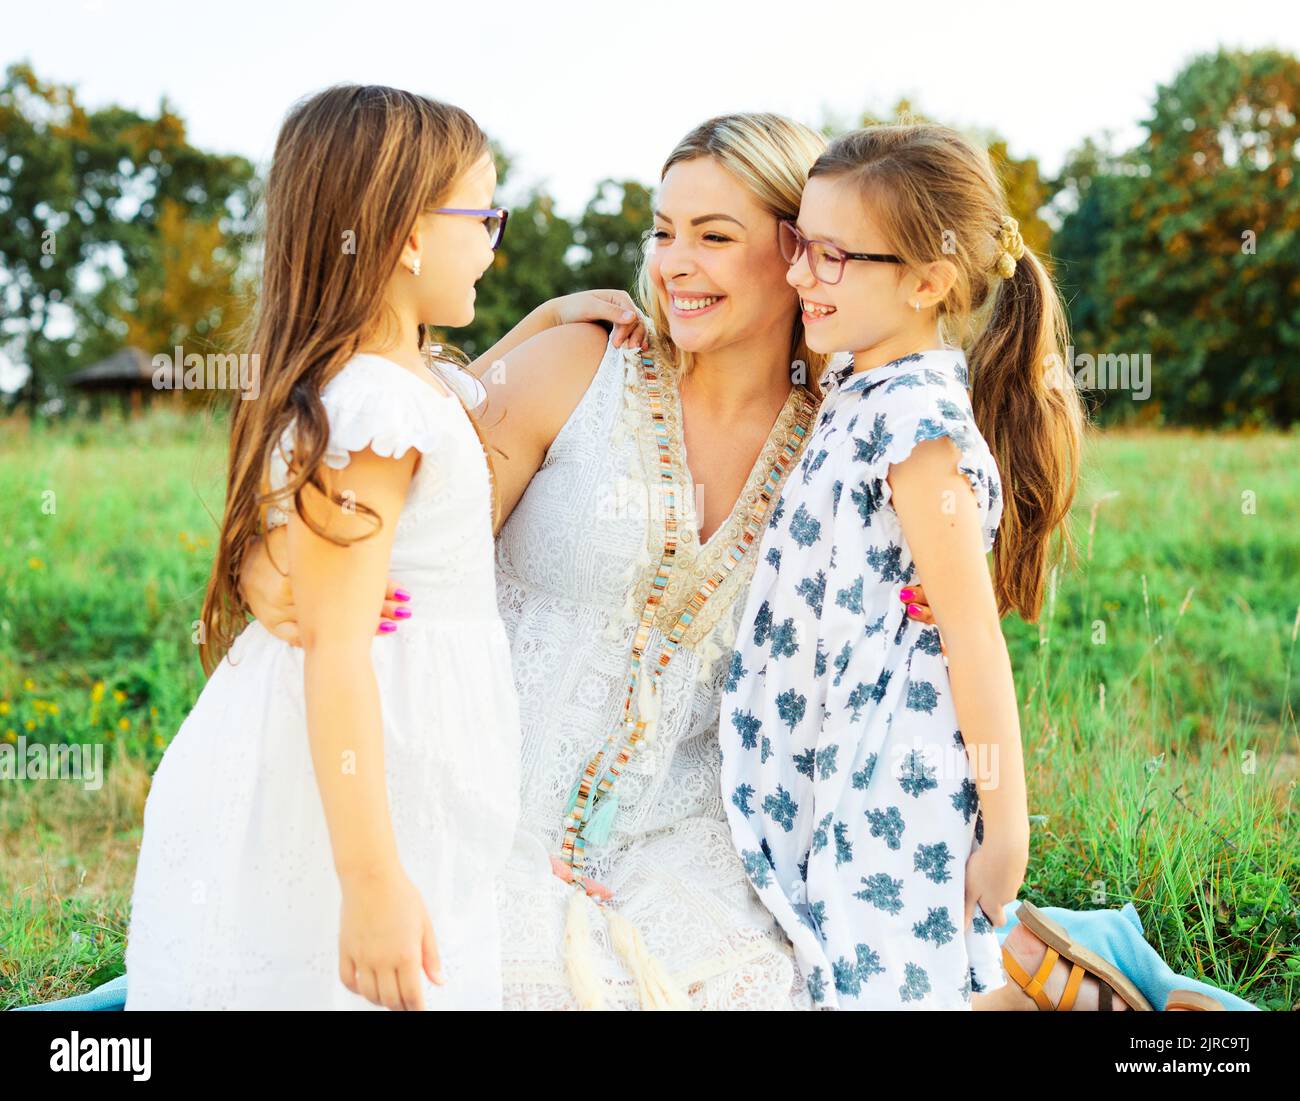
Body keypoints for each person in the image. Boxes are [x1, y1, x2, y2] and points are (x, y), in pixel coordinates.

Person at [125, 84, 529, 1010]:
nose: (494, 242)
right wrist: (373, 882)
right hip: (362, 770)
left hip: (397, 748)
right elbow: (340, 652)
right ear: (409, 236)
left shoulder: (384, 383)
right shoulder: (378, 412)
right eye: (486, 214)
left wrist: (563, 314)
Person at [719, 123, 1084, 1008]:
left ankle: (1097, 989)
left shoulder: (916, 425)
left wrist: (1008, 829)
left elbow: (972, 636)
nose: (801, 272)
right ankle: (1068, 986)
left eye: (833, 255)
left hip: (893, 762)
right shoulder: (856, 387)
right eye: (799, 244)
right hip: (832, 745)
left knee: (888, 982)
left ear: (928, 281)